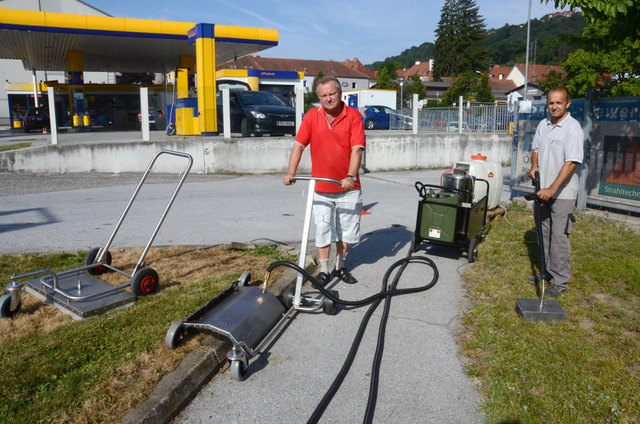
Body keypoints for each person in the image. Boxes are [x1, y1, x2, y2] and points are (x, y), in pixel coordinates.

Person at [283, 75, 365, 286]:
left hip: (348, 187)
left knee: (345, 230)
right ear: (318, 97)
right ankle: (324, 269)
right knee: (323, 228)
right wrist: (291, 172)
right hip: (320, 187)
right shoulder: (311, 116)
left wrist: (350, 176)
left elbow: (357, 149)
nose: (329, 98)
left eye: (332, 93)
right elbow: (299, 145)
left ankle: (341, 266)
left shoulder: (353, 116)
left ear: (340, 93)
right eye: (323, 95)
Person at [527, 87, 584, 298]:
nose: (554, 106)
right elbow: (535, 150)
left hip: (562, 194)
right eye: (551, 102)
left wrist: (552, 189)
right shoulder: (544, 125)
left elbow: (571, 163)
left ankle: (560, 281)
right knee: (544, 234)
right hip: (543, 190)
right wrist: (534, 167)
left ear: (567, 104)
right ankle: (547, 274)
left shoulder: (573, 129)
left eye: (559, 103)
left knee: (559, 238)